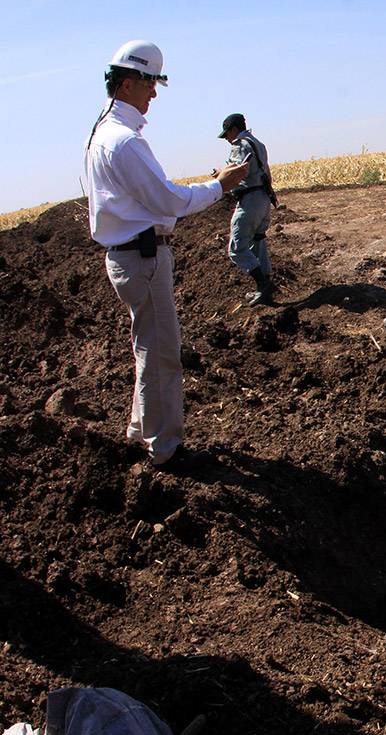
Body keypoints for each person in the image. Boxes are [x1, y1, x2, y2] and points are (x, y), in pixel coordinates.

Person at [85, 40, 249, 468]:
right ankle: (166, 451)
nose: (153, 93)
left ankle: (142, 430)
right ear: (126, 84)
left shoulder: (104, 134)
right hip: (141, 259)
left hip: (128, 257)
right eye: (148, 83)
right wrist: (220, 186)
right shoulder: (124, 143)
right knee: (161, 354)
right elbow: (168, 201)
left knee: (148, 347)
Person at [218, 113, 276, 305]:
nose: (226, 139)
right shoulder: (258, 143)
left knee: (236, 248)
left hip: (249, 200)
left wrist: (219, 178)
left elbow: (237, 172)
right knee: (258, 240)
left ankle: (262, 284)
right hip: (264, 198)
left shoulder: (240, 145)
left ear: (233, 130)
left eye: (226, 134)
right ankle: (265, 284)